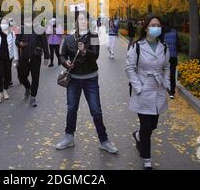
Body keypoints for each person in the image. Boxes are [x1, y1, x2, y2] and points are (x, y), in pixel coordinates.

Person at [55, 11, 118, 154]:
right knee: (71, 109)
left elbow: (95, 56)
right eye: (80, 19)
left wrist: (84, 51)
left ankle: (104, 140)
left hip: (90, 79)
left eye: (85, 19)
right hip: (74, 80)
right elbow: (62, 55)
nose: (83, 21)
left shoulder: (94, 36)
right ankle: (69, 137)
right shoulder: (69, 38)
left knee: (96, 111)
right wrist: (66, 63)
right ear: (76, 21)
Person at [125, 15, 170, 170]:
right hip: (143, 90)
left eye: (158, 25)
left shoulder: (164, 46)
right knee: (146, 125)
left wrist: (167, 83)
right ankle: (147, 159)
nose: (156, 27)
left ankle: (138, 136)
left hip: (158, 89)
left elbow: (166, 67)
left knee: (153, 125)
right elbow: (130, 69)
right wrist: (138, 87)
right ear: (145, 28)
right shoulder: (136, 46)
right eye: (152, 25)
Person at [15, 15, 50, 107]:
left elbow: (45, 43)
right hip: (24, 57)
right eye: (26, 18)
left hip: (36, 56)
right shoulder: (21, 29)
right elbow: (16, 41)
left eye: (29, 18)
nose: (28, 20)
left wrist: (47, 57)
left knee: (35, 77)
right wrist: (20, 43)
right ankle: (27, 87)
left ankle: (33, 97)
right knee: (22, 76)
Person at [0, 17, 19, 103]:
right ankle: (0, 93)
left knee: (7, 75)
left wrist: (16, 59)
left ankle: (5, 90)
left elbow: (14, 47)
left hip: (8, 57)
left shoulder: (12, 33)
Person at [161, 21, 180, 99]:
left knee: (163, 72)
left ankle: (165, 88)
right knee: (172, 73)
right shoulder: (175, 32)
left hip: (164, 56)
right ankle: (172, 92)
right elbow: (178, 44)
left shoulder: (162, 33)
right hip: (173, 56)